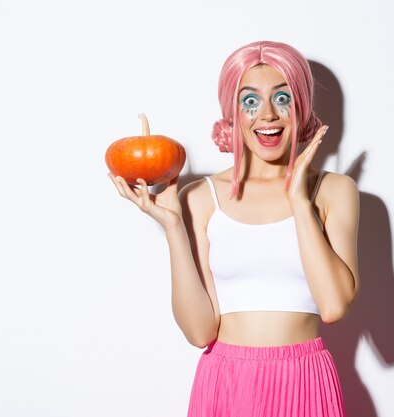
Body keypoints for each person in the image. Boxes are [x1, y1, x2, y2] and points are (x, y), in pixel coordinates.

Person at [108, 40, 359, 417]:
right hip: (226, 382)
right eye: (250, 102)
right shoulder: (201, 197)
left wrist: (298, 201)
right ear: (233, 113)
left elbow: (334, 305)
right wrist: (175, 228)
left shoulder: (333, 191)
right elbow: (199, 332)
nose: (268, 115)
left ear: (301, 107)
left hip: (305, 379)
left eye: (283, 98)